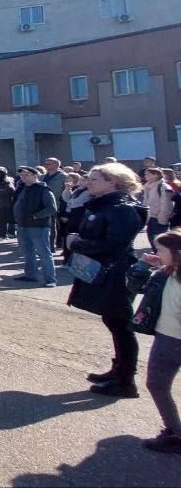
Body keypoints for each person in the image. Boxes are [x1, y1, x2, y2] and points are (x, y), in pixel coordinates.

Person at [67, 163, 147, 397]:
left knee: (120, 323)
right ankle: (118, 370)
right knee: (112, 321)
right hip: (105, 270)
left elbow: (114, 245)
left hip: (116, 272)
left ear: (113, 182)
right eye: (89, 178)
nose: (88, 182)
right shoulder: (105, 205)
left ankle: (126, 381)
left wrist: (77, 243)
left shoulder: (122, 209)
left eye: (95, 179)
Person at [134, 231, 181, 453]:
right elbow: (133, 286)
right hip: (166, 337)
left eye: (161, 250)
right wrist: (142, 266)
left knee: (157, 384)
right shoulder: (164, 274)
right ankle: (175, 432)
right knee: (156, 384)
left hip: (173, 340)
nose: (156, 253)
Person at [13, 166, 58, 287]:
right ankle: (31, 275)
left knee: (44, 253)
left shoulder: (43, 189)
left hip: (38, 226)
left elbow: (52, 208)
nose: (23, 177)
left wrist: (36, 216)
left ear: (34, 176)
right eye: (22, 175)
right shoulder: (21, 188)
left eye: (26, 175)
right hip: (22, 225)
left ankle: (50, 279)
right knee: (27, 252)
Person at [143, 167, 174, 247]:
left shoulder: (163, 187)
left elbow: (167, 205)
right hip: (150, 217)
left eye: (148, 174)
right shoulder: (148, 186)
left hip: (159, 219)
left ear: (156, 175)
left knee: (160, 244)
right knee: (152, 241)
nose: (145, 176)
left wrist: (162, 219)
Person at [0, 168, 17, 239]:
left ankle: (3, 234)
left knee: (4, 220)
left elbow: (9, 191)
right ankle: (1, 233)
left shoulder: (8, 181)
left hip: (5, 204)